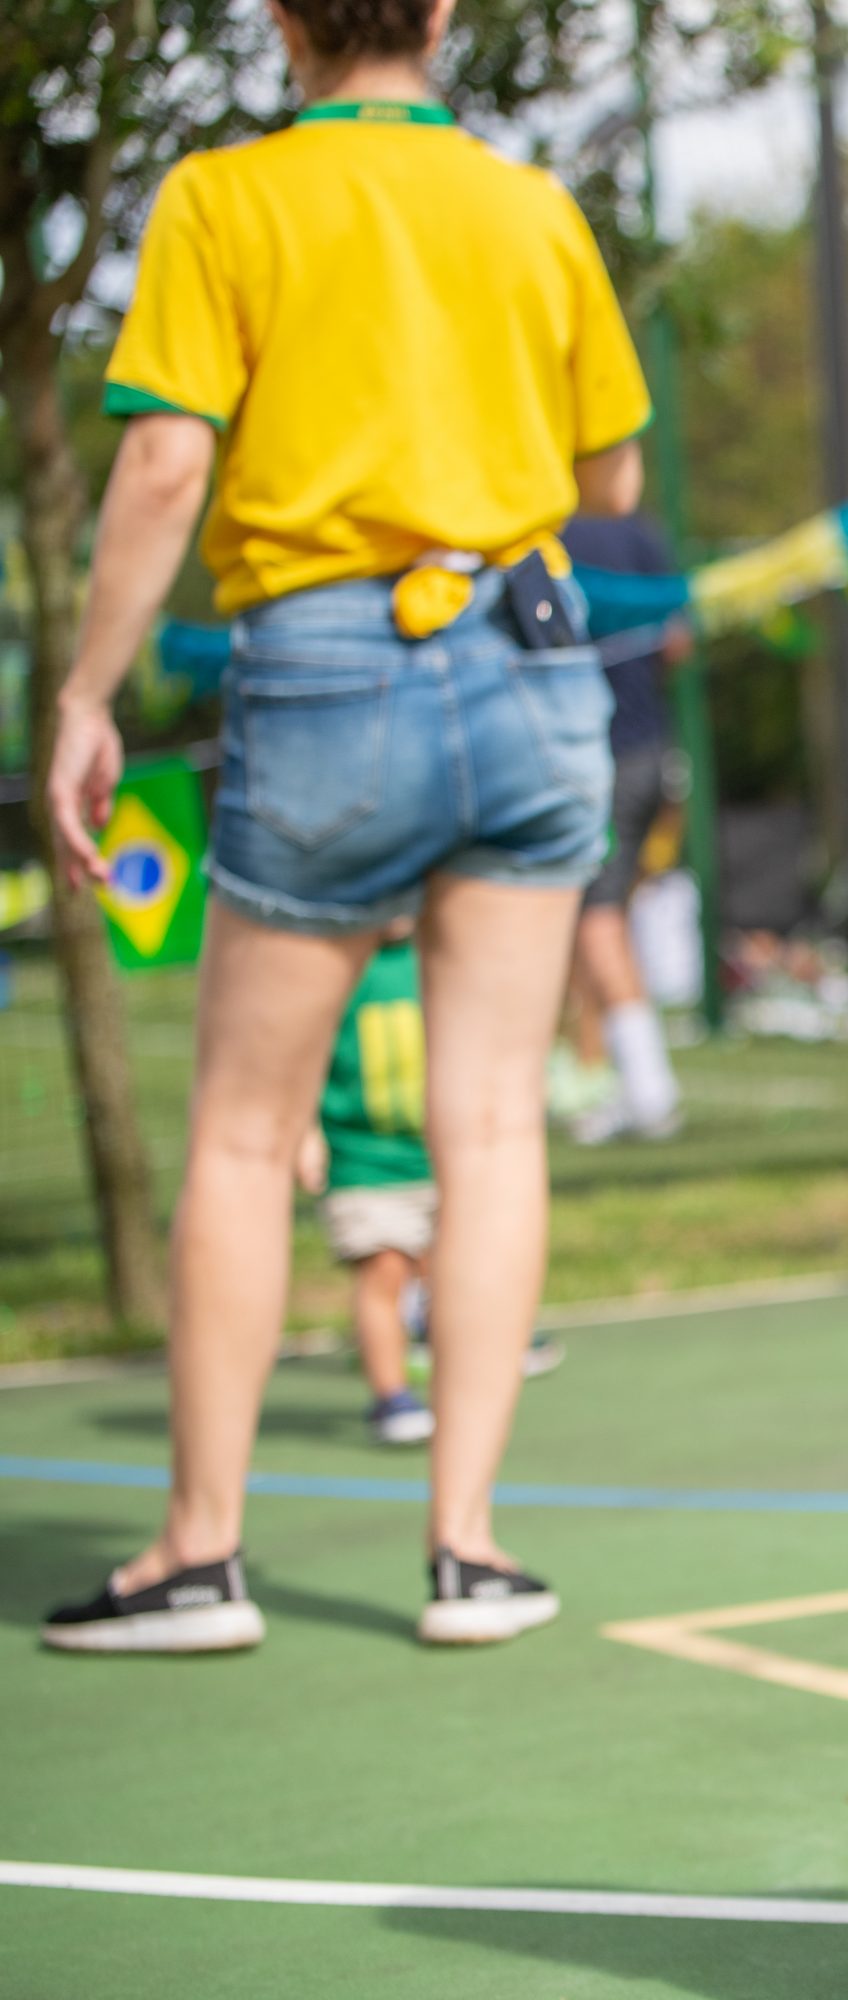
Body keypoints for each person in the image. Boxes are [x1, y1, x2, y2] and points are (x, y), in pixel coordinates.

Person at [42, 0, 644, 1652]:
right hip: (529, 653)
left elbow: (168, 459)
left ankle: (199, 1557)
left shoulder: (224, 200)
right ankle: (469, 1553)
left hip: (323, 665)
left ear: (281, 16)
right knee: (494, 1125)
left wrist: (88, 695)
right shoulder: (531, 207)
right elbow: (610, 473)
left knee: (247, 1131)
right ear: (443, 16)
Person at [299, 930, 568, 1447]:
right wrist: (304, 1131)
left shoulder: (439, 955)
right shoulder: (337, 968)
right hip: (363, 1161)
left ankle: (468, 1354)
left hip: (440, 1156)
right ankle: (390, 1394)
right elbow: (302, 1054)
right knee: (383, 1270)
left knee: (444, 1268)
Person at [557, 508, 690, 1143]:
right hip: (650, 751)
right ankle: (606, 1074)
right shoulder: (642, 533)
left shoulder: (544, 534)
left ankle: (648, 1090)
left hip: (597, 755)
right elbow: (679, 641)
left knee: (597, 920)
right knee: (598, 921)